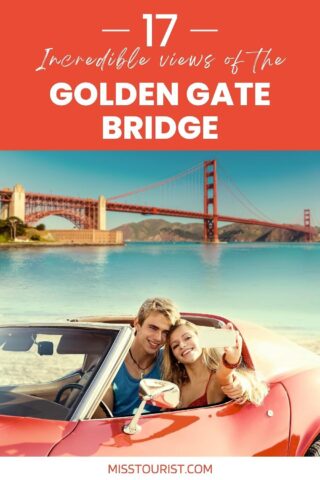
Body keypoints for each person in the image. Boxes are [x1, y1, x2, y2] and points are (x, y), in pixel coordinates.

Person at [162, 319, 268, 408]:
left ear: (201, 340)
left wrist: (231, 360)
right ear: (175, 357)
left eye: (188, 338)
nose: (182, 345)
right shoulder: (176, 387)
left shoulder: (214, 380)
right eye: (175, 345)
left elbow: (224, 376)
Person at [103, 297, 180, 417]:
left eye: (166, 332)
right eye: (153, 328)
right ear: (137, 324)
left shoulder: (169, 361)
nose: (159, 338)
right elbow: (102, 421)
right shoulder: (112, 361)